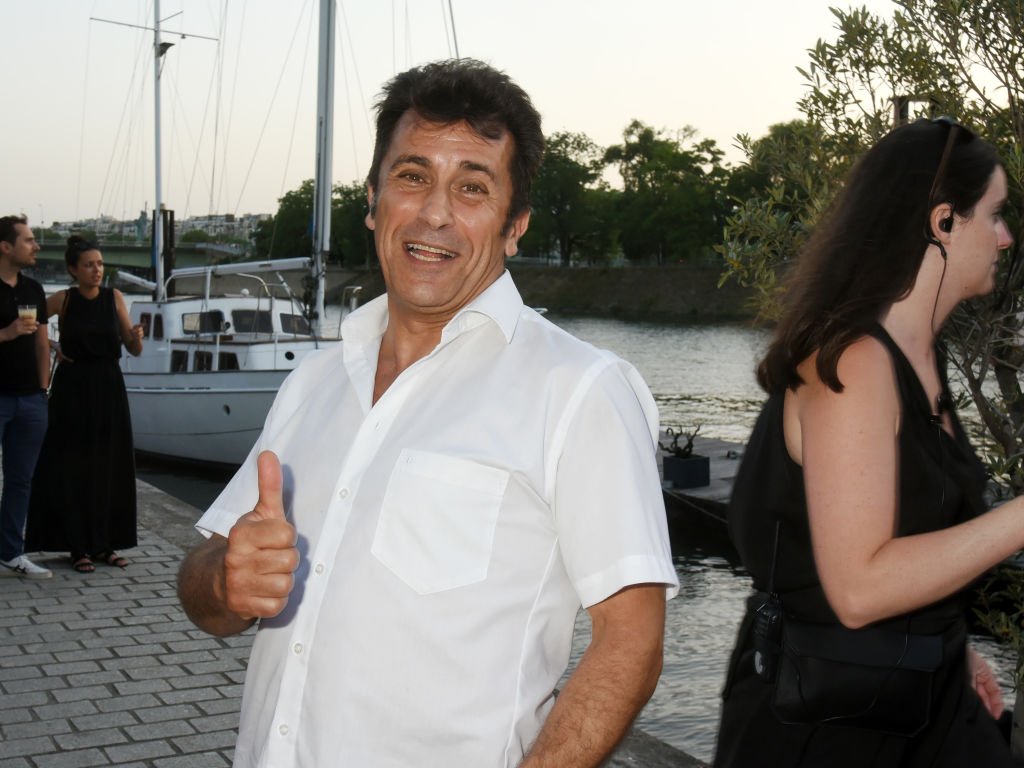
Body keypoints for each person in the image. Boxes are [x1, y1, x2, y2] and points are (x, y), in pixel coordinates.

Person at [177, 58, 678, 768]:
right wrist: (226, 576)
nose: (436, 212)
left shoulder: (581, 390)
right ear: (374, 202)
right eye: (413, 176)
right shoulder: (312, 382)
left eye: (473, 187)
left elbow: (631, 642)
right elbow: (204, 591)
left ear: (515, 227)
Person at [714, 117, 1022, 767]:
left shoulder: (919, 357)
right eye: (993, 215)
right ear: (943, 222)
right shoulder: (855, 363)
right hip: (824, 730)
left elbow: (910, 531)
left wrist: (950, 646)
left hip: (913, 698)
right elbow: (857, 590)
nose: (1005, 236)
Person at [25, 237, 144, 573]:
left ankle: (105, 545)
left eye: (101, 264)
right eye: (90, 265)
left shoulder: (114, 298)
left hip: (109, 388)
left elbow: (133, 349)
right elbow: (27, 319)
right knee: (73, 467)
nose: (97, 271)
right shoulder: (64, 300)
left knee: (110, 466)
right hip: (73, 389)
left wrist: (137, 337)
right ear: (73, 269)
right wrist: (50, 342)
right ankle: (77, 547)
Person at [0, 215, 52, 579]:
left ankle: (10, 553)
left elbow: (42, 343)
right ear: (5, 247)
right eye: (29, 240)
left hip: (30, 400)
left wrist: (43, 389)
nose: (35, 246)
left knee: (21, 480)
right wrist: (6, 332)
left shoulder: (34, 290)